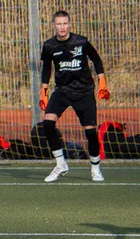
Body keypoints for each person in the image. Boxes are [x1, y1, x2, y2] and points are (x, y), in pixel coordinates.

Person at [39, 10, 110, 183]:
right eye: (59, 24)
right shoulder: (49, 46)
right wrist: (44, 90)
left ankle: (95, 168)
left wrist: (102, 81)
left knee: (91, 132)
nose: (62, 27)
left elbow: (96, 59)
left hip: (84, 92)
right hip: (62, 91)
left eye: (65, 23)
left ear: (69, 24)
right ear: (53, 26)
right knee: (47, 124)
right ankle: (61, 164)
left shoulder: (81, 41)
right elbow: (47, 68)